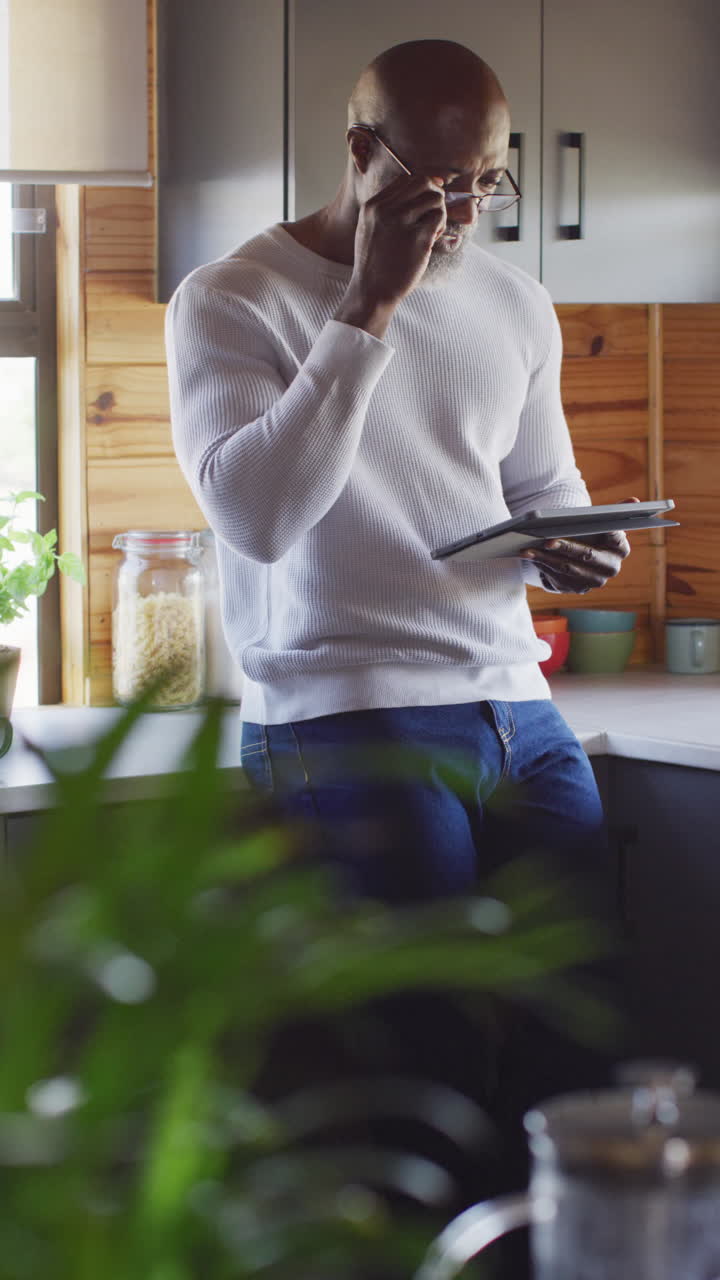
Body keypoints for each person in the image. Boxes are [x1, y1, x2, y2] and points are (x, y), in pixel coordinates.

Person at [166, 37, 632, 899]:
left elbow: (544, 487)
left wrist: (581, 544)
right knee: (424, 1032)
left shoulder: (516, 301)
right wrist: (368, 306)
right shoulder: (231, 298)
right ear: (361, 152)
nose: (464, 212)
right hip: (341, 715)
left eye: (488, 183)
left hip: (518, 705)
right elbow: (257, 520)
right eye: (443, 182)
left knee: (575, 1012)